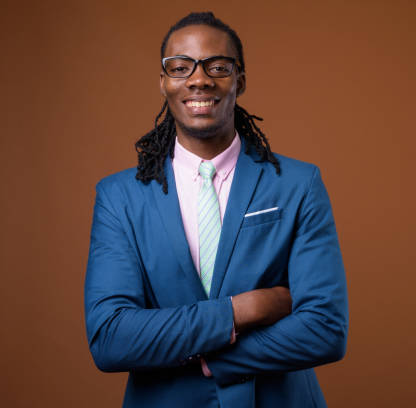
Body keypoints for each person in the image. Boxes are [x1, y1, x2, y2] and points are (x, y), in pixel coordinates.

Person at [84, 11, 348, 408]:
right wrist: (244, 308)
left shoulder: (298, 183)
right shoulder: (119, 197)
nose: (199, 78)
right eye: (180, 67)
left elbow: (325, 329)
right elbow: (110, 337)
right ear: (164, 82)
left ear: (239, 80)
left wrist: (211, 357)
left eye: (217, 66)